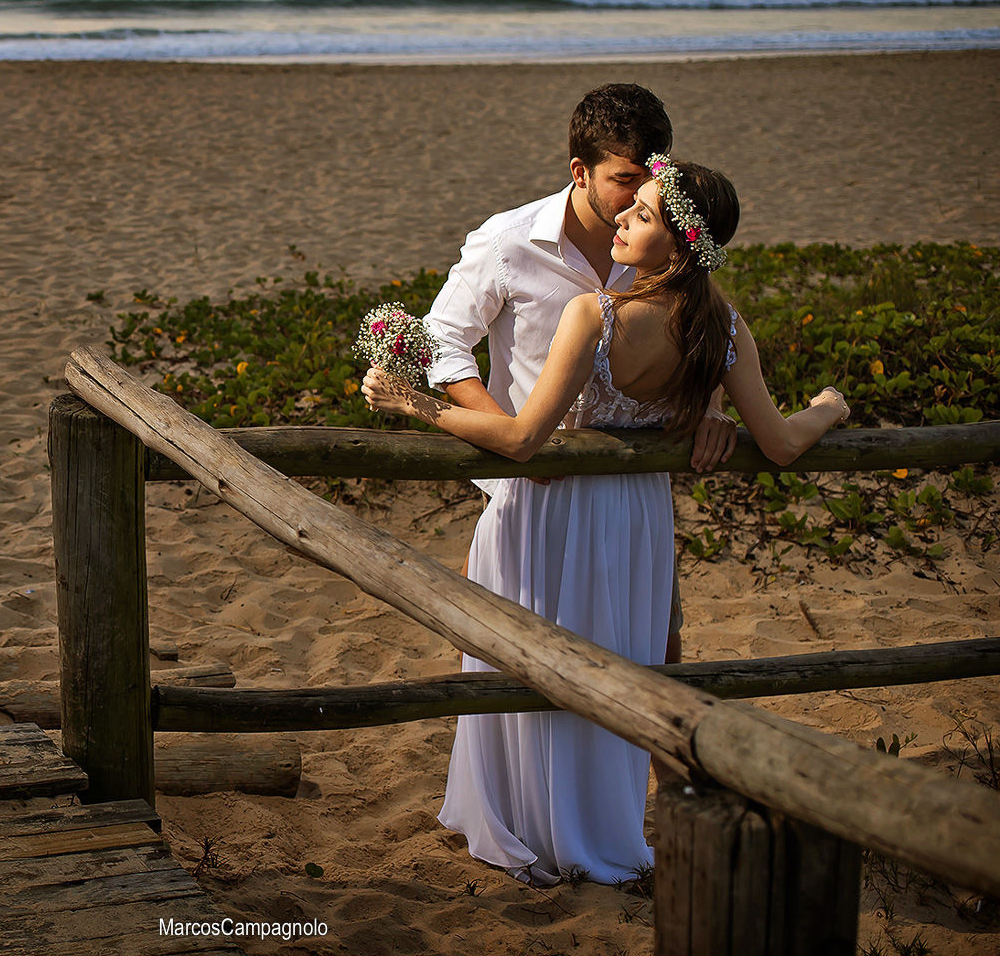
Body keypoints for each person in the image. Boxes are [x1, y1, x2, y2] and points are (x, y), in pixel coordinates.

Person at [363, 156, 849, 885]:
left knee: (530, 661)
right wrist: (830, 407)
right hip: (635, 519)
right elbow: (779, 443)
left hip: (548, 511)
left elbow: (525, 440)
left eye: (643, 214)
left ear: (681, 246)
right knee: (617, 660)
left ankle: (527, 822)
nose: (620, 217)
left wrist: (415, 405)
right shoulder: (721, 327)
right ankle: (599, 830)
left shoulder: (595, 314)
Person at [423, 83, 733, 670]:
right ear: (580, 171)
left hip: (629, 494)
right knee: (511, 660)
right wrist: (517, 442)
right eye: (624, 179)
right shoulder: (508, 242)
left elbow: (701, 328)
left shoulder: (661, 246)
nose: (639, 194)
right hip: (527, 495)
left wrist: (713, 406)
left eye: (650, 177)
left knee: (656, 658)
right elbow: (442, 340)